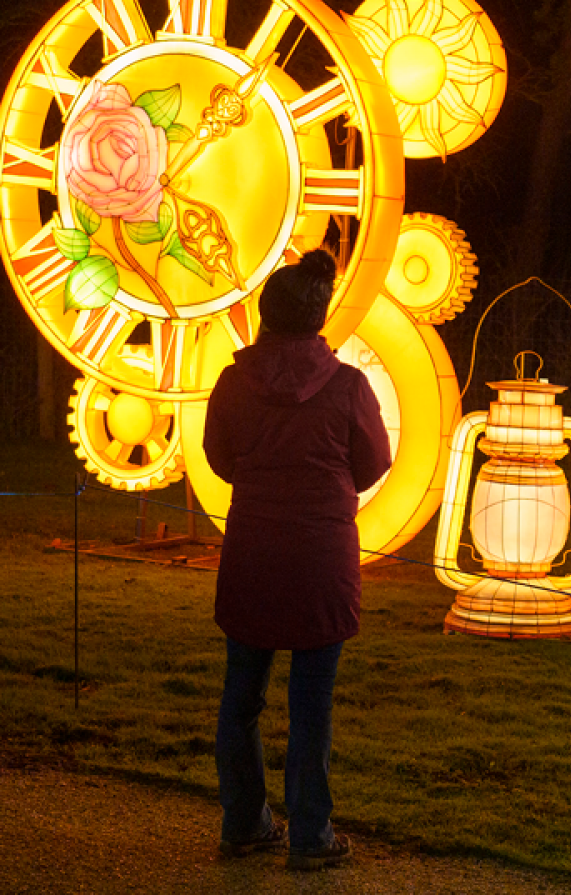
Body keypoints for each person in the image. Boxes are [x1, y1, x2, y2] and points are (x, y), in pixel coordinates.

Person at [203, 248, 391, 871]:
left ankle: (244, 821)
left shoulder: (234, 383)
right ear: (318, 318)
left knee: (242, 697)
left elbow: (219, 457)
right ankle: (311, 834)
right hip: (320, 561)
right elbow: (373, 463)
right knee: (312, 705)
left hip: (253, 550)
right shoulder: (347, 386)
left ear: (266, 313)